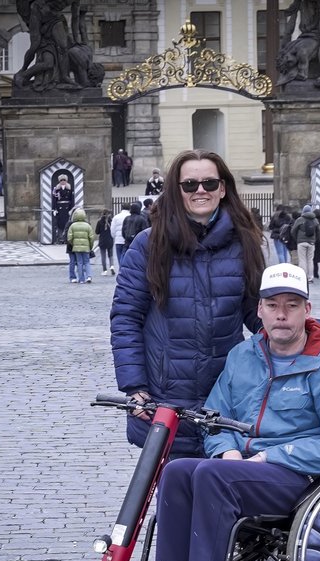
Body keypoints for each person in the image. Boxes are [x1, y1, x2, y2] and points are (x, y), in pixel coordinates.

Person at [137, 263, 320, 561]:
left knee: (211, 476)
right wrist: (225, 450)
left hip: (298, 476)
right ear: (258, 309)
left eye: (292, 305)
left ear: (307, 310)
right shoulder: (243, 356)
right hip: (239, 468)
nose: (281, 314)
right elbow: (215, 418)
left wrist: (271, 457)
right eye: (272, 304)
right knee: (177, 471)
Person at [110, 148, 264, 459]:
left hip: (227, 392)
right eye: (190, 184)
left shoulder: (245, 243)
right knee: (173, 498)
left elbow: (261, 316)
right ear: (176, 190)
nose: (200, 191)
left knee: (224, 498)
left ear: (223, 189)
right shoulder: (148, 245)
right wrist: (134, 386)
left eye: (209, 183)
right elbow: (126, 317)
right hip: (165, 396)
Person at [290, 204, 320, 284]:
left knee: (302, 260)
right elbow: (319, 231)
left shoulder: (300, 219)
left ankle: (303, 277)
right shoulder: (315, 220)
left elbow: (293, 231)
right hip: (311, 243)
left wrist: (297, 239)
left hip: (301, 242)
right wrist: (314, 239)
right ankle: (310, 278)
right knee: (310, 260)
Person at [67, 208, 94, 283]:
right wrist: (90, 246)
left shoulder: (72, 226)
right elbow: (91, 237)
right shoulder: (87, 226)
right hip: (86, 247)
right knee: (87, 262)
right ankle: (89, 276)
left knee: (79, 263)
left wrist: (74, 244)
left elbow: (69, 238)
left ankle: (81, 279)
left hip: (76, 248)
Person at [51, 174, 74, 245]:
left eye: (64, 180)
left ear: (66, 181)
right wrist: (54, 208)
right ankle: (60, 238)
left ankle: (66, 238)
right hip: (59, 209)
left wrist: (71, 209)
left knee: (67, 224)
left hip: (67, 209)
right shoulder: (56, 189)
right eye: (61, 180)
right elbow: (54, 199)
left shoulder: (70, 189)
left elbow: (72, 199)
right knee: (59, 224)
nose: (63, 181)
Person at [94, 209, 116, 276]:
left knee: (103, 256)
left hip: (102, 240)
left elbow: (97, 232)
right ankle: (111, 266)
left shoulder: (99, 222)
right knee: (110, 255)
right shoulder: (111, 221)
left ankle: (104, 270)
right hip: (110, 239)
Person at [110, 204, 130, 268]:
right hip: (128, 239)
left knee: (119, 257)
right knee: (127, 257)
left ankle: (121, 269)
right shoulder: (129, 216)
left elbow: (112, 229)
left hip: (118, 240)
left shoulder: (116, 217)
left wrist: (114, 237)